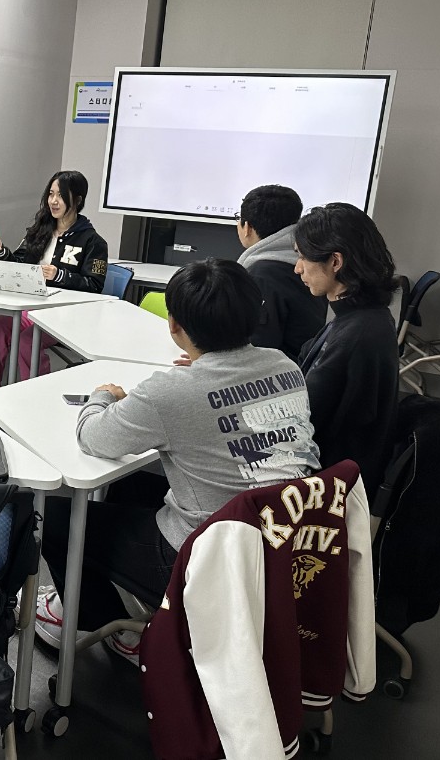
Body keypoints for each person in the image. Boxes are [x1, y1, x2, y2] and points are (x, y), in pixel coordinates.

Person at [36, 259, 321, 660]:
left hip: (205, 560)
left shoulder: (170, 392)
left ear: (174, 326)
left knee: (55, 517)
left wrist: (103, 396)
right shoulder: (285, 365)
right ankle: (138, 608)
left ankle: (110, 624)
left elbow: (93, 438)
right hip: (283, 541)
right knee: (128, 485)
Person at [294, 203, 400, 491]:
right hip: (345, 471)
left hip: (328, 485)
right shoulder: (367, 316)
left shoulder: (354, 334)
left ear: (335, 262)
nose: (298, 268)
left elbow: (301, 421)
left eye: (303, 257)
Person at [0, 170, 108, 390]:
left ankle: (36, 394)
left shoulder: (93, 242)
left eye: (61, 195)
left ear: (77, 200)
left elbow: (95, 285)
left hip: (65, 316)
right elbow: (19, 267)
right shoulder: (39, 231)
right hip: (32, 309)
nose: (53, 201)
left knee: (28, 342)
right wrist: (1, 252)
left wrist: (60, 275)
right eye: (51, 194)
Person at [235, 184, 327, 360]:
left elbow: (258, 347)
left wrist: (216, 363)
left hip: (276, 372)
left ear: (247, 228)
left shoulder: (261, 274)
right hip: (301, 366)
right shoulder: (311, 264)